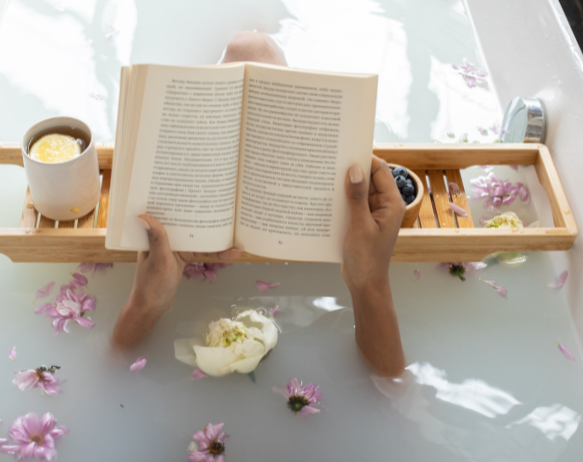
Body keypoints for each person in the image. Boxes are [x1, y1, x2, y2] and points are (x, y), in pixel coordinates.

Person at [112, 31, 406, 377]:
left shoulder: (346, 228)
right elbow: (110, 373)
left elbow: (389, 389)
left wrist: (369, 283)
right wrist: (146, 303)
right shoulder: (163, 227)